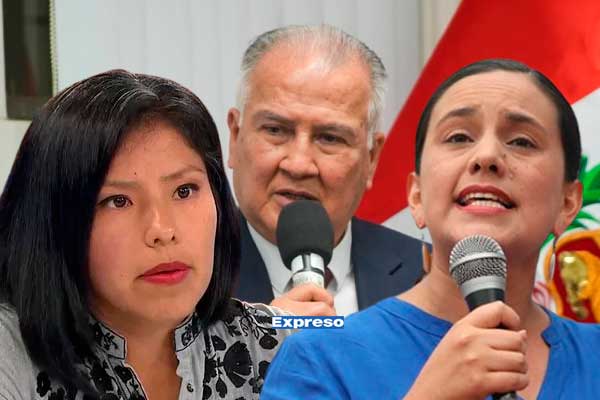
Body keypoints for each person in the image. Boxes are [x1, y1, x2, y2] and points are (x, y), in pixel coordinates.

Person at [260, 59, 600, 399]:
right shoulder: (319, 359)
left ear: (568, 203)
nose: (486, 156)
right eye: (458, 137)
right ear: (417, 197)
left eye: (522, 142)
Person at [0, 70, 293, 399]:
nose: (162, 231)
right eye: (118, 201)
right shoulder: (10, 356)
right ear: (53, 219)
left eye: (184, 190)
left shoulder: (276, 344)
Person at [227, 25, 423, 317]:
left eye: (329, 138)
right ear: (235, 137)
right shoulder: (183, 279)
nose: (299, 164)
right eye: (275, 130)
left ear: (372, 158)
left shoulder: (426, 276)